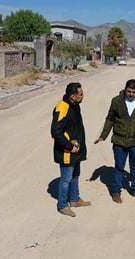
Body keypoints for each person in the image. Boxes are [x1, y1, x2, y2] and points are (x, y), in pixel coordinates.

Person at [94, 79, 135, 203]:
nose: (131, 94)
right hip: (119, 140)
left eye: (133, 92)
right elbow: (110, 118)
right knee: (119, 167)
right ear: (125, 89)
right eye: (129, 91)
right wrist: (103, 135)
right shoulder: (116, 101)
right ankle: (116, 192)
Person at [51, 82, 91, 217]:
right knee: (66, 178)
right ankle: (62, 205)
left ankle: (74, 199)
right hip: (67, 151)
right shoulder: (62, 108)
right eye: (81, 94)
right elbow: (56, 132)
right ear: (73, 96)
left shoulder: (75, 106)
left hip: (76, 149)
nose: (83, 96)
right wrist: (69, 146)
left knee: (75, 175)